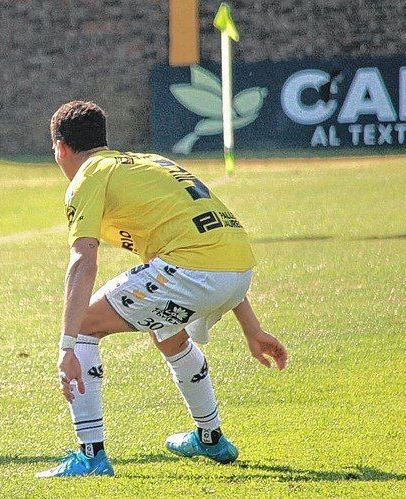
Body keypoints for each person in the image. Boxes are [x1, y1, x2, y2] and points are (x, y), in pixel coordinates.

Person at [37, 101, 287, 478]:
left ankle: (90, 457)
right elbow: (215, 249)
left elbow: (83, 260)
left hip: (195, 269)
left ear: (60, 149)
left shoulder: (88, 177)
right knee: (167, 332)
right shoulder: (148, 163)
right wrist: (251, 328)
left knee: (86, 325)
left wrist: (67, 346)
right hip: (237, 268)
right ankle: (209, 437)